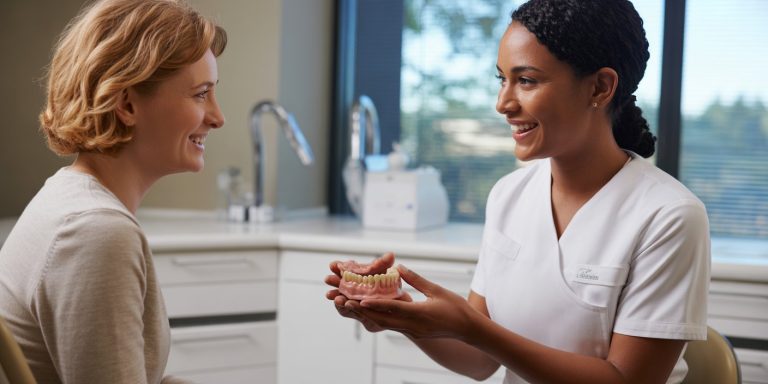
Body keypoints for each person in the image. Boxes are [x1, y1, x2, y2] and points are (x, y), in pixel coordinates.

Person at [325, 0, 710, 383]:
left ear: (600, 87)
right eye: (502, 79)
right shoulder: (509, 194)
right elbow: (479, 360)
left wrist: (470, 327)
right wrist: (401, 314)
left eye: (526, 80)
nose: (503, 104)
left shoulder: (669, 216)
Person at [0, 0, 226, 382]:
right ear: (126, 104)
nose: (218, 117)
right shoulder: (97, 233)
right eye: (201, 94)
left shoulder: (67, 198)